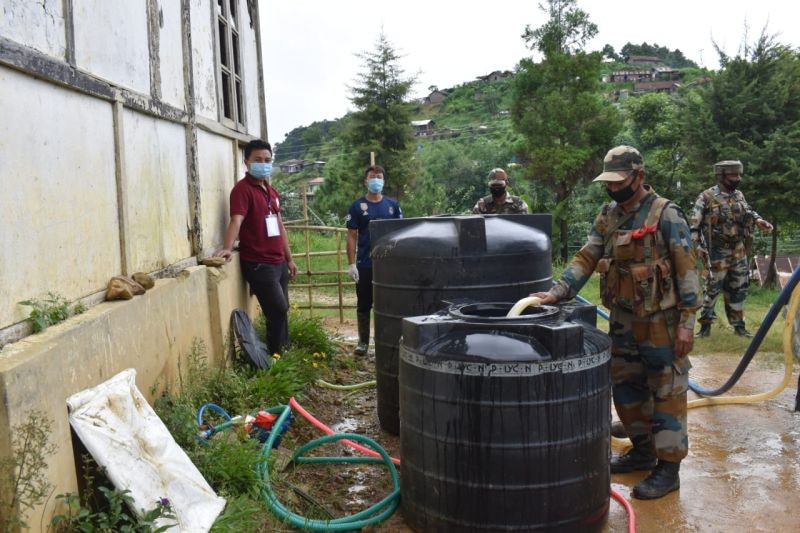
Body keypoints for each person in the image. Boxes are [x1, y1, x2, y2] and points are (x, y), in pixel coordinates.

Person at [532, 146, 700, 500]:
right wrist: (558, 291)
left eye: (619, 181)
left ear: (639, 176)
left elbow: (687, 269)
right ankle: (642, 451)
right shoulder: (608, 215)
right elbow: (588, 255)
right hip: (623, 320)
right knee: (625, 388)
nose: (612, 188)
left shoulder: (665, 213)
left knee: (667, 392)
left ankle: (669, 470)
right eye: (608, 182)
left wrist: (687, 322)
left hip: (661, 323)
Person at [217, 139, 298, 355]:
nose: (264, 164)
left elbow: (280, 227)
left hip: (278, 261)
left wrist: (289, 259)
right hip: (259, 263)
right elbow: (236, 220)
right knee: (277, 310)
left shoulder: (271, 191)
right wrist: (227, 247)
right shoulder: (242, 190)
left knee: (283, 310)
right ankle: (275, 357)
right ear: (247, 161)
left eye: (268, 160)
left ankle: (284, 352)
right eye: (258, 160)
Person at [690, 160, 773, 338]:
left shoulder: (739, 195)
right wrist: (697, 247)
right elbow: (694, 225)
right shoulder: (706, 197)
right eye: (733, 175)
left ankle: (739, 327)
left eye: (739, 175)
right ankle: (705, 327)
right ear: (721, 176)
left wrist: (759, 221)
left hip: (738, 250)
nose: (738, 178)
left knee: (739, 287)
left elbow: (748, 211)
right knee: (712, 289)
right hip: (716, 251)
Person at [346, 165, 403, 355]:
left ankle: (387, 340)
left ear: (384, 181)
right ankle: (363, 342)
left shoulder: (392, 205)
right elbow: (352, 235)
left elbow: (401, 233)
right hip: (365, 264)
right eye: (372, 177)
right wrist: (351, 263)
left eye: (379, 177)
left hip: (388, 264)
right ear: (366, 181)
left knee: (388, 303)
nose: (376, 180)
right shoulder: (357, 206)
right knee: (364, 303)